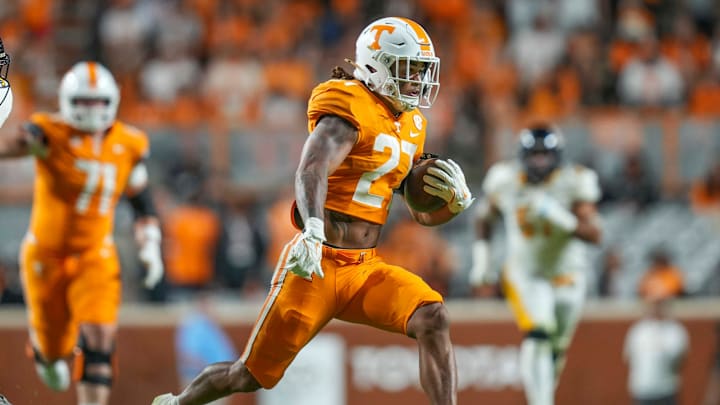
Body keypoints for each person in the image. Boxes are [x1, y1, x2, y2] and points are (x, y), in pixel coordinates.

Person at [152, 16, 474, 405]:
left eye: (421, 72)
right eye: (408, 70)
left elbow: (417, 210)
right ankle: (177, 403)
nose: (416, 82)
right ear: (376, 64)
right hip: (315, 262)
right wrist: (313, 229)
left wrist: (452, 206)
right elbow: (312, 168)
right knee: (249, 375)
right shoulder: (349, 103)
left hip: (364, 268)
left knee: (432, 316)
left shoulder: (411, 123)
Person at [0, 52, 164, 405]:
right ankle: (45, 352)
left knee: (100, 339)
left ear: (113, 101)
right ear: (66, 102)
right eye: (83, 101)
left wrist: (150, 243)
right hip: (46, 254)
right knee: (54, 359)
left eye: (98, 101)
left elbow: (141, 199)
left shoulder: (129, 142)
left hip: (95, 254)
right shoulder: (49, 132)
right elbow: (13, 144)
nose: (91, 109)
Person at [469, 124, 602, 405]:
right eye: (534, 155)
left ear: (557, 156)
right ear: (522, 155)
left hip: (569, 274)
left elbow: (595, 235)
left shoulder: (575, 180)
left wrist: (562, 219)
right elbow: (484, 219)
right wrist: (482, 260)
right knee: (539, 333)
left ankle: (543, 395)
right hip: (526, 272)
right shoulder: (506, 179)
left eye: (545, 155)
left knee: (556, 346)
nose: (539, 161)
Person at [624, 294, 689, 405]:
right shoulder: (638, 330)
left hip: (666, 390)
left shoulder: (674, 330)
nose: (655, 308)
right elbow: (628, 357)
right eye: (653, 304)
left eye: (659, 304)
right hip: (642, 389)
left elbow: (679, 358)